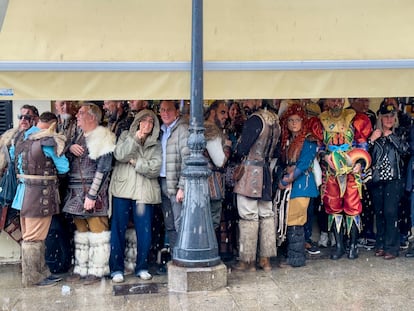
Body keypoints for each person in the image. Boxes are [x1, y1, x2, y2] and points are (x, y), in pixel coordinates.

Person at [309, 98, 372, 260]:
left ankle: (353, 245)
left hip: (351, 171)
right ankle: (339, 246)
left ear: (343, 100)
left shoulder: (356, 119)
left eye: (339, 100)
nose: (336, 103)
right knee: (333, 207)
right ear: (328, 102)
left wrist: (359, 162)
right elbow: (319, 147)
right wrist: (325, 157)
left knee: (353, 208)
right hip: (331, 172)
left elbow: (362, 144)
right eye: (333, 100)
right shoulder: (320, 121)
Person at [12, 112, 69, 287]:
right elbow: (64, 167)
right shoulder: (47, 141)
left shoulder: (20, 141)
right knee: (34, 238)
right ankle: (32, 278)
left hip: (22, 195)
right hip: (39, 196)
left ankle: (41, 272)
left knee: (31, 237)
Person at [63, 103, 115, 284]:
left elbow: (103, 169)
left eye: (81, 113)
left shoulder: (104, 136)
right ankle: (82, 268)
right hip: (75, 193)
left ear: (92, 117)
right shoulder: (77, 135)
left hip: (93, 193)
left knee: (98, 234)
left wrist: (92, 196)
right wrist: (70, 148)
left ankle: (97, 270)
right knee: (82, 234)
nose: (77, 115)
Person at [109, 109, 162, 283]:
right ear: (138, 122)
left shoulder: (156, 144)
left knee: (144, 232)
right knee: (118, 230)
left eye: (151, 122)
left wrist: (136, 162)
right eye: (144, 121)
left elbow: (155, 168)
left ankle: (142, 266)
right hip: (123, 189)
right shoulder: (126, 135)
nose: (147, 125)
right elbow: (119, 155)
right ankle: (116, 269)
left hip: (144, 192)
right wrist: (135, 139)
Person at [232, 99, 280, 272]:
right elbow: (276, 151)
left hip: (250, 172)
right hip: (266, 172)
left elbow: (242, 149)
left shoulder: (255, 120)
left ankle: (247, 260)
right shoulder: (275, 120)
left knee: (248, 216)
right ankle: (265, 259)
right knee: (266, 215)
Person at [275, 103, 319, 267]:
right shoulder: (288, 140)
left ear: (303, 121)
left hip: (302, 185)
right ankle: (292, 256)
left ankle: (296, 259)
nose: (294, 123)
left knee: (295, 222)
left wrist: (286, 180)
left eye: (297, 120)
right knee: (290, 220)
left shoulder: (309, 140)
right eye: (291, 120)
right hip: (293, 185)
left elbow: (303, 165)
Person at [369, 102, 408, 260]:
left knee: (390, 212)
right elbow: (366, 155)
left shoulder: (400, 132)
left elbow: (405, 150)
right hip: (377, 179)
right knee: (379, 213)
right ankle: (380, 244)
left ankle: (392, 247)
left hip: (394, 179)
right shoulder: (375, 133)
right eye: (385, 116)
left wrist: (390, 136)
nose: (389, 119)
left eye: (392, 116)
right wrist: (372, 140)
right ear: (380, 117)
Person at [0, 105, 39, 244]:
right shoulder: (13, 136)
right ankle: (26, 253)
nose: (23, 119)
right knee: (11, 220)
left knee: (30, 229)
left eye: (27, 116)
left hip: (31, 190)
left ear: (35, 119)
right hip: (12, 188)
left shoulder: (39, 136)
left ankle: (29, 256)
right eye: (21, 116)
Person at [158, 100, 189, 272]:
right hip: (163, 182)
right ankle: (175, 259)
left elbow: (187, 160)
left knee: (179, 223)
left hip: (176, 185)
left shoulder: (182, 130)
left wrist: (182, 187)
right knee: (170, 224)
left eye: (169, 110)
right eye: (162, 110)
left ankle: (182, 259)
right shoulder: (162, 131)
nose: (165, 113)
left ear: (177, 112)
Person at [204, 101, 232, 257]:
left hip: (201, 186)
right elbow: (220, 161)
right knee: (211, 223)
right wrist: (227, 146)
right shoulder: (211, 131)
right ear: (213, 112)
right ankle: (210, 255)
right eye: (222, 112)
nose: (226, 116)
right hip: (212, 185)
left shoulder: (200, 127)